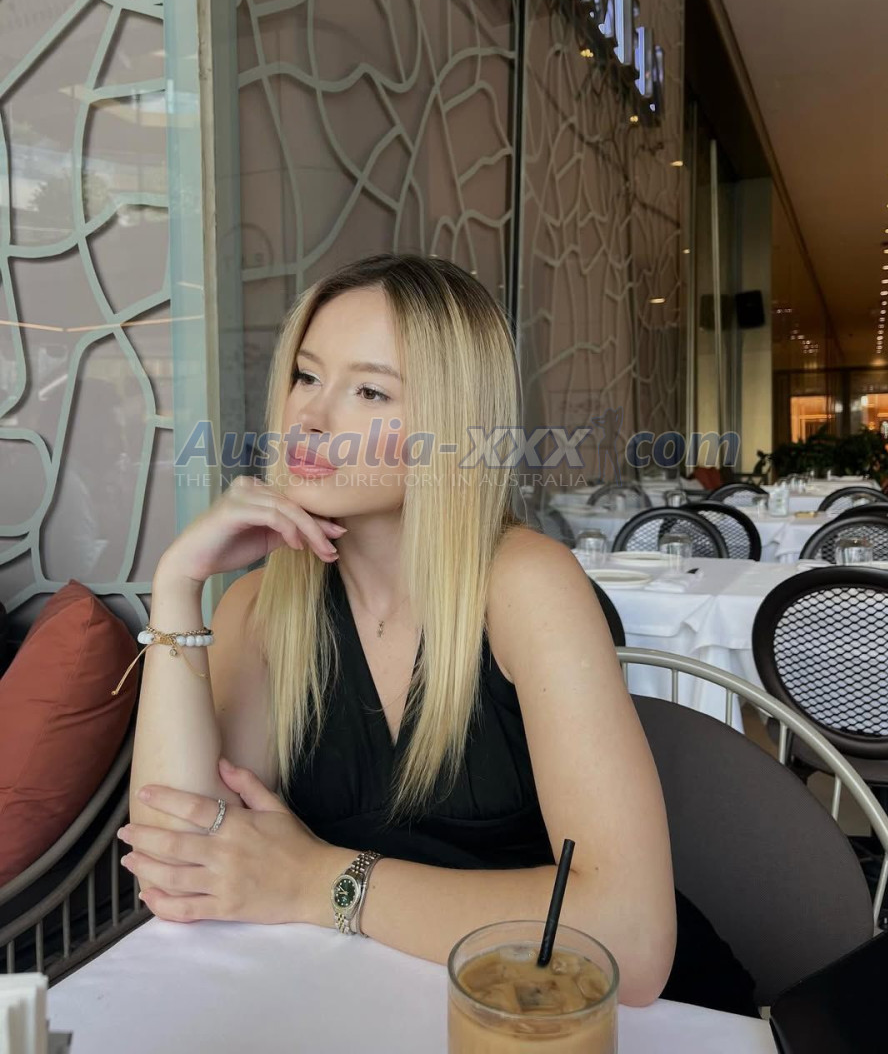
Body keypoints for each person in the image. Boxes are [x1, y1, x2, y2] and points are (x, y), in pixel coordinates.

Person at [121, 254, 753, 1013]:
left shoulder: (526, 586)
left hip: (567, 1019)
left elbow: (632, 941)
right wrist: (178, 587)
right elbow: (178, 869)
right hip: (366, 1001)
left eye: (370, 390)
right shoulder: (260, 609)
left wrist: (313, 879)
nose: (311, 419)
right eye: (306, 376)